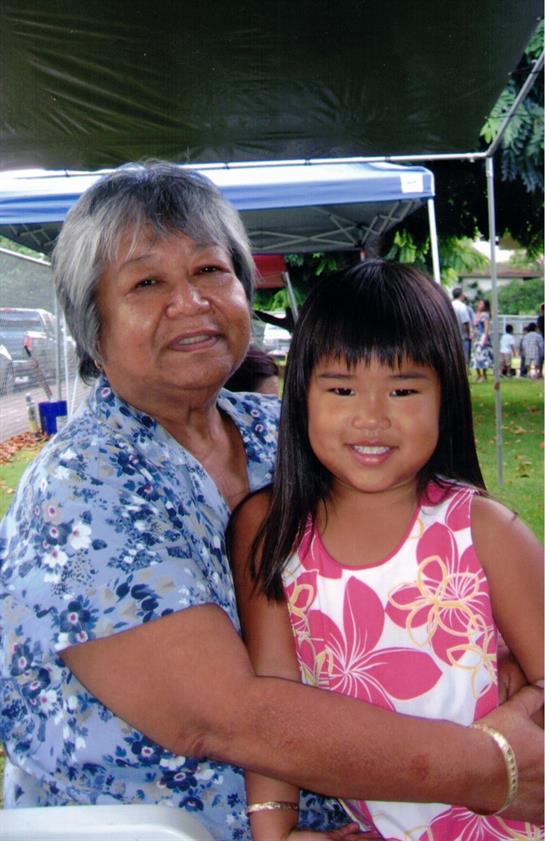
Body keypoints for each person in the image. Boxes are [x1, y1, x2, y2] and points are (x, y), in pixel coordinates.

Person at [0, 164, 542, 841]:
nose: (190, 302)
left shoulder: (278, 430)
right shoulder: (78, 490)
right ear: (91, 322)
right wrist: (491, 766)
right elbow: (221, 716)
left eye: (209, 271)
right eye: (147, 282)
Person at [229, 261, 543, 841]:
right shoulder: (270, 529)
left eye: (403, 389)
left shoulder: (484, 531)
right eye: (342, 388)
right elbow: (271, 705)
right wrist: (275, 833)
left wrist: (517, 710)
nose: (371, 416)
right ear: (300, 396)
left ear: (445, 396)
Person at [471, 298, 494, 382]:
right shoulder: (477, 314)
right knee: (475, 356)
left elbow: (486, 328)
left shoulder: (485, 315)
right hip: (477, 337)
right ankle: (478, 374)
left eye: (481, 304)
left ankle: (483, 374)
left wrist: (484, 338)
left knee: (483, 356)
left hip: (482, 337)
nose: (479, 305)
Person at [451, 286, 471, 365]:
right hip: (462, 337)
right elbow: (465, 322)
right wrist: (468, 334)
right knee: (463, 360)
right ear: (461, 295)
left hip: (452, 337)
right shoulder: (462, 306)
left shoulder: (449, 305)